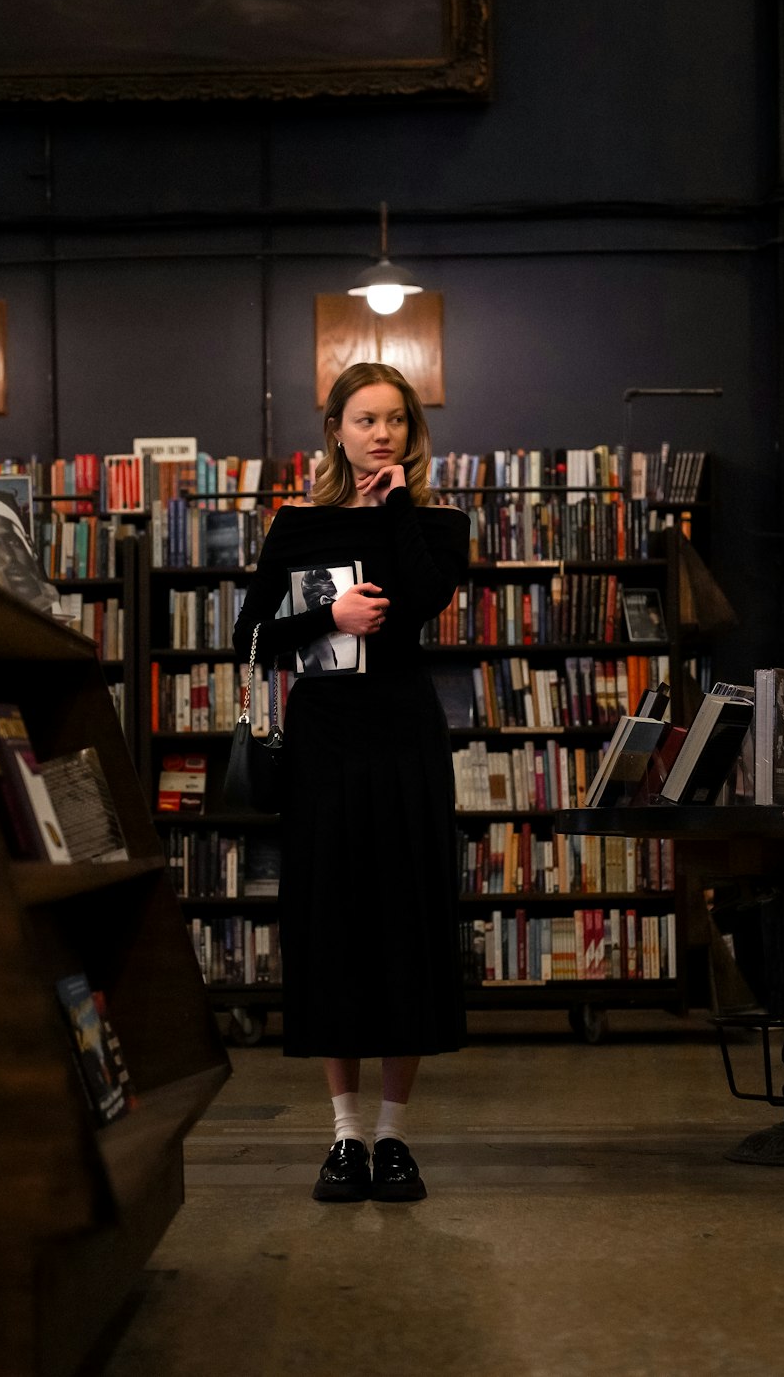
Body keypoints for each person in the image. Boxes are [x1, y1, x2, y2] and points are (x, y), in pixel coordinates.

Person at [232, 362, 470, 1203]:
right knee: (332, 920)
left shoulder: (437, 522)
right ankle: (344, 1137)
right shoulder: (296, 526)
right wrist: (326, 619)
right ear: (335, 429)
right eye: (366, 420)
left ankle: (396, 1138)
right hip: (326, 740)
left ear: (411, 432)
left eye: (396, 420)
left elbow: (426, 593)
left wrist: (394, 503)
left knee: (406, 919)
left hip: (404, 734)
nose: (382, 434)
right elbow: (250, 637)